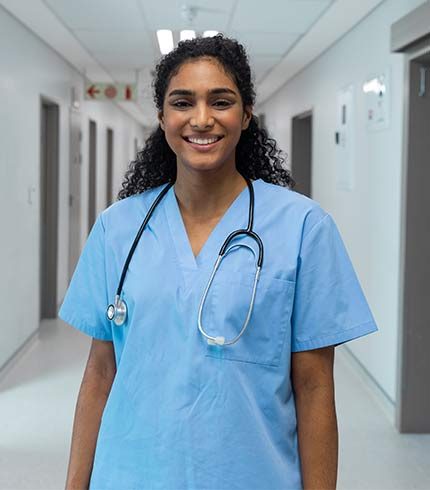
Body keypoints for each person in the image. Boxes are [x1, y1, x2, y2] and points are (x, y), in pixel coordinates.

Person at [59, 34, 378, 490]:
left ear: (246, 114)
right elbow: (100, 372)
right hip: (130, 474)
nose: (202, 119)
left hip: (252, 475)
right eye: (183, 102)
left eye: (221, 101)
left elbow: (314, 387)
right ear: (163, 117)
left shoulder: (304, 227)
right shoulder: (118, 228)